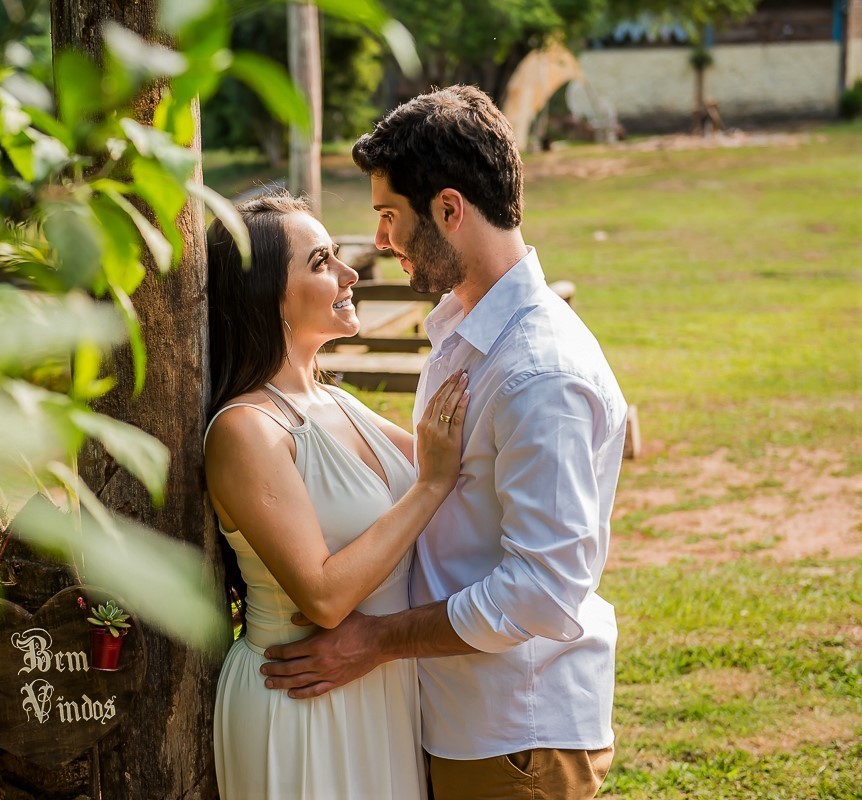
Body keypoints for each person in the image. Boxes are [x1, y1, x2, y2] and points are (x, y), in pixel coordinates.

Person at [259, 86, 628, 800]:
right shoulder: (467, 327)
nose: (381, 241)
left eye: (389, 216)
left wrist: (376, 640)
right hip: (461, 717)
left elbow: (544, 592)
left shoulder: (538, 374)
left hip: (513, 733)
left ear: (449, 210)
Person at [204, 190, 471, 799]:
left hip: (380, 684)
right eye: (322, 262)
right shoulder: (246, 430)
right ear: (267, 295)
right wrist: (428, 486)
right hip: (300, 699)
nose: (350, 274)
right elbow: (323, 597)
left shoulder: (336, 402)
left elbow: (462, 464)